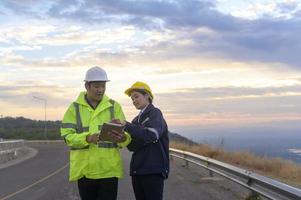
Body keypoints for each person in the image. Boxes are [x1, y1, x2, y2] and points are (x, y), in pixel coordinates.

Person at [60, 66, 131, 200]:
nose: (101, 90)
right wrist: (87, 138)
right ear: (87, 85)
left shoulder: (114, 106)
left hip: (108, 171)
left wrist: (123, 138)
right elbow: (67, 136)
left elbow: (127, 136)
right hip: (85, 171)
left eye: (103, 86)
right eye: (97, 86)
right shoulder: (74, 108)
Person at [115, 81, 169, 200]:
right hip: (138, 171)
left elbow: (153, 134)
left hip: (153, 170)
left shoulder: (155, 113)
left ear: (147, 96)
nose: (134, 100)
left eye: (136, 96)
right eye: (132, 98)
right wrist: (124, 138)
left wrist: (127, 126)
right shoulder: (136, 120)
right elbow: (132, 146)